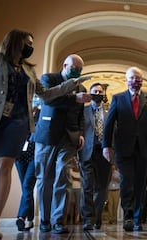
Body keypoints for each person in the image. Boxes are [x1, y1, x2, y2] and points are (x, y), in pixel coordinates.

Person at [0, 29, 84, 239]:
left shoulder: (29, 70)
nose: (30, 47)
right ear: (15, 42)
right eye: (27, 42)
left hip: (18, 122)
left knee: (4, 167)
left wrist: (70, 86)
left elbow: (45, 94)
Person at [33, 54, 92, 234]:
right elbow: (49, 99)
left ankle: (58, 219)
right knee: (44, 178)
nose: (77, 72)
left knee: (63, 176)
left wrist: (80, 133)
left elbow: (81, 114)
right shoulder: (49, 79)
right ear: (65, 65)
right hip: (47, 135)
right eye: (74, 68)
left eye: (80, 70)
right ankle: (44, 219)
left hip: (69, 138)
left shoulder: (81, 86)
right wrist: (74, 98)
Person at [102, 66, 147, 232]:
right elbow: (109, 124)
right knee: (127, 182)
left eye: (139, 78)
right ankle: (128, 215)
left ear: (142, 81)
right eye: (133, 78)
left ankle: (138, 217)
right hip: (123, 148)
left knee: (141, 183)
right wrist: (106, 145)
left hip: (144, 147)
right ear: (126, 80)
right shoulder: (118, 98)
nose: (136, 81)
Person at [78, 83, 112, 230]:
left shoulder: (110, 112)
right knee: (87, 186)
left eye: (100, 91)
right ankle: (88, 219)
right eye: (95, 91)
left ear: (103, 94)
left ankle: (97, 216)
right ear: (90, 94)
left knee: (102, 187)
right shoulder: (83, 111)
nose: (98, 93)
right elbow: (78, 128)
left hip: (104, 154)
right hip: (87, 152)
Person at [15, 104, 40, 232]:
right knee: (26, 188)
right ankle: (30, 221)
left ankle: (21, 217)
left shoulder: (40, 116)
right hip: (20, 157)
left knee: (27, 186)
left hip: (35, 156)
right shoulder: (21, 115)